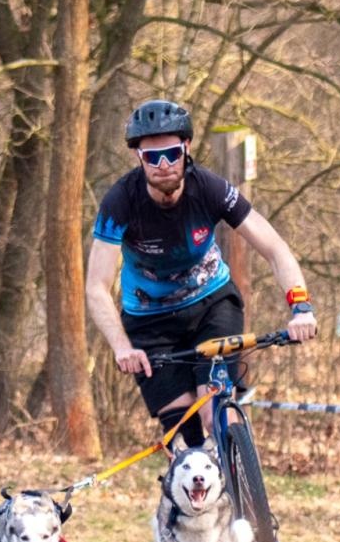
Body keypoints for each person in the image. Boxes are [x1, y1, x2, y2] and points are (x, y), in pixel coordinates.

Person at [85, 99, 318, 452]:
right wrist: (122, 347)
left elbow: (274, 247)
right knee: (184, 437)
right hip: (150, 323)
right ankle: (201, 502)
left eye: (172, 153)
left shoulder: (209, 188)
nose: (163, 165)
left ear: (186, 148)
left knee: (216, 411)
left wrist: (300, 307)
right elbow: (96, 287)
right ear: (138, 158)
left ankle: (245, 492)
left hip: (211, 304)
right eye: (152, 157)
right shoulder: (119, 202)